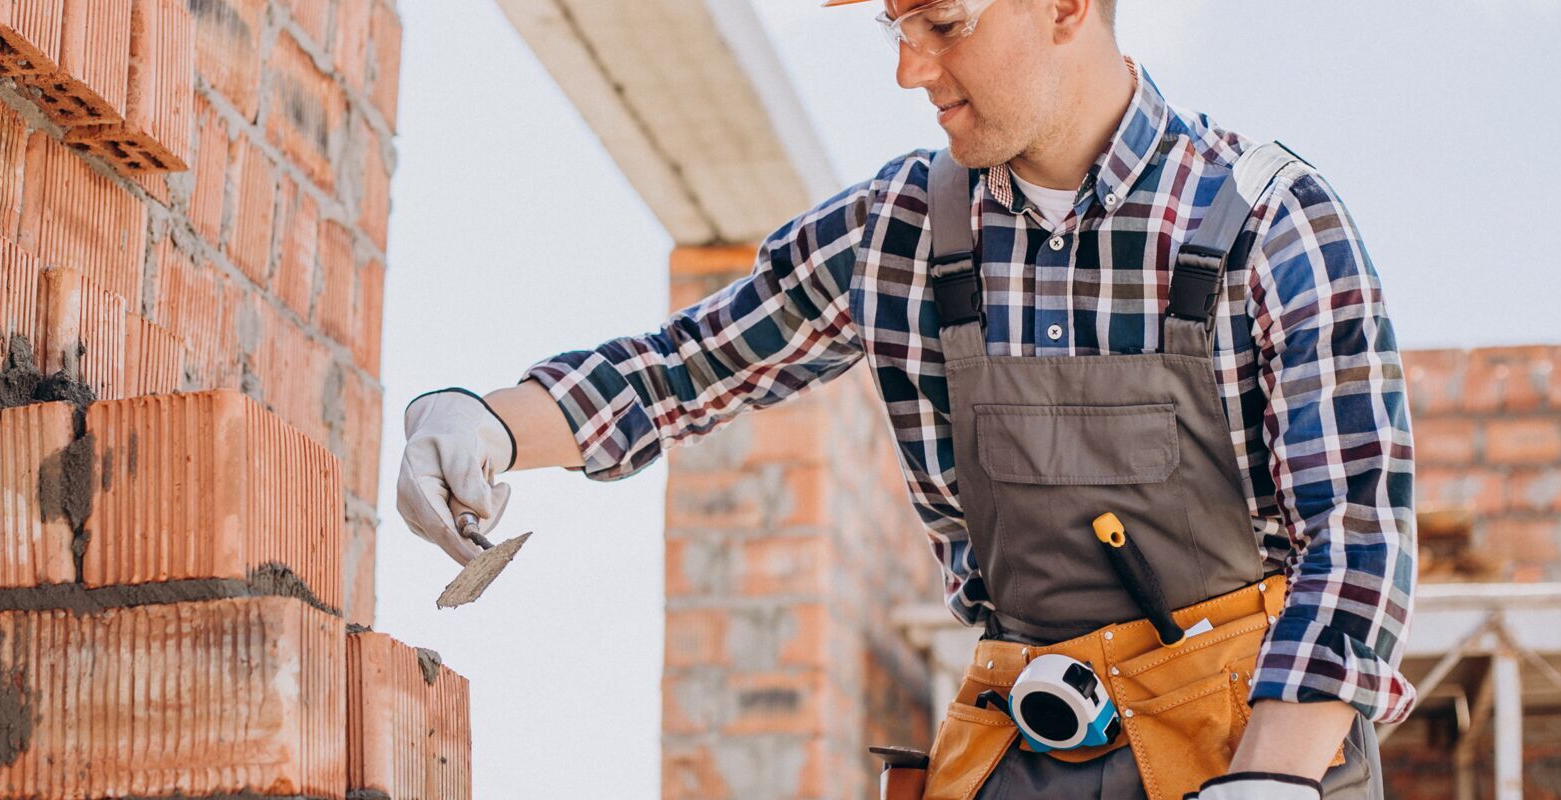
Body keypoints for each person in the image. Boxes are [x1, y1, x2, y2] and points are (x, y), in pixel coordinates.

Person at [397, 0, 1416, 796]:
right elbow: (681, 366)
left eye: (943, 24)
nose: (909, 68)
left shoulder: (1267, 220)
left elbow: (1358, 536)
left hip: (1254, 743)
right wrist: (487, 419)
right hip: (1034, 747)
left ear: (1063, 8)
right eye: (898, 27)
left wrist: (1274, 776)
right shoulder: (905, 232)